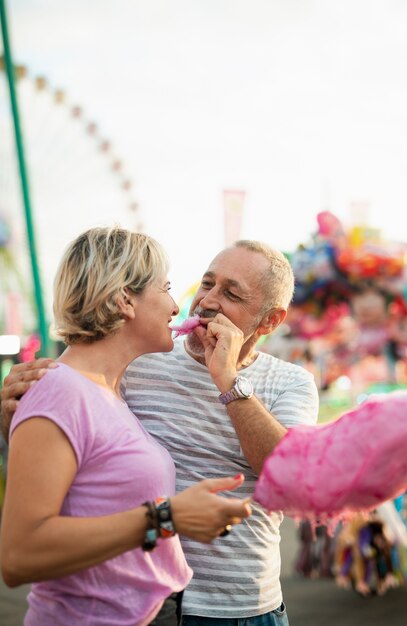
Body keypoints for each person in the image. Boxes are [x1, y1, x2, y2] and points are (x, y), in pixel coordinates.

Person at [1, 239, 319, 626]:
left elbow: (292, 481)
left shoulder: (291, 382)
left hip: (238, 609)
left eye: (231, 293)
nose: (206, 301)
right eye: (206, 283)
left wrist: (229, 380)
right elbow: (72, 439)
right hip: (136, 605)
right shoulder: (140, 358)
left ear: (270, 321)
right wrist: (19, 415)